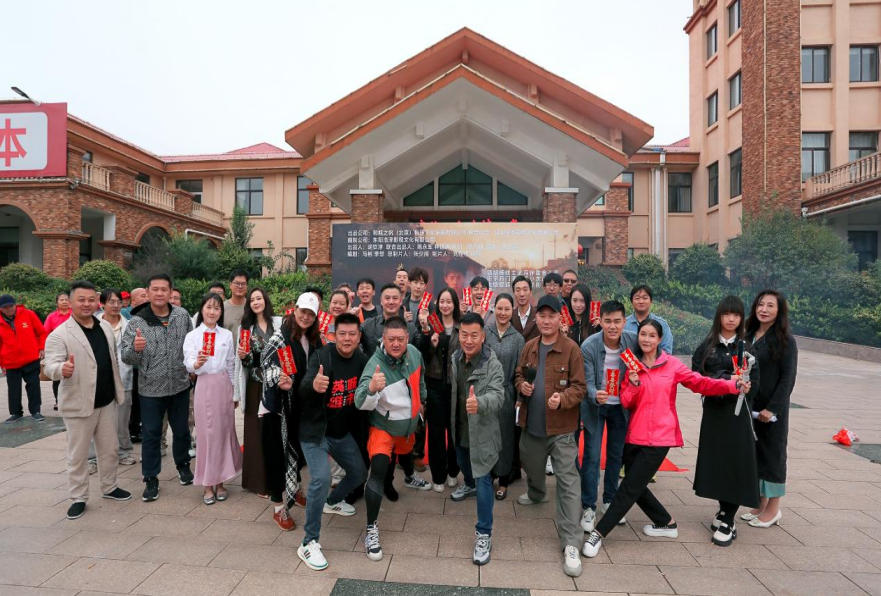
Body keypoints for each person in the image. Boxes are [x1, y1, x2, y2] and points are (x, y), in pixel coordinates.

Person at [582, 319, 749, 558]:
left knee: (628, 488)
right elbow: (626, 401)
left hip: (661, 436)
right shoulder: (632, 365)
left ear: (660, 339)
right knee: (636, 485)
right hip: (634, 435)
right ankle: (665, 522)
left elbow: (700, 383)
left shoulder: (671, 364)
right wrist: (633, 383)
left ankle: (598, 533)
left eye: (652, 335)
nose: (646, 339)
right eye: (643, 334)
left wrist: (731, 385)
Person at [43, 281, 131, 520]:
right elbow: (49, 366)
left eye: (91, 299)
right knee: (78, 454)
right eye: (81, 299)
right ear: (70, 302)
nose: (86, 304)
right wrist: (61, 369)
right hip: (79, 403)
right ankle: (78, 497)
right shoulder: (59, 334)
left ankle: (110, 486)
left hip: (107, 400)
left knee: (110, 449)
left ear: (97, 302)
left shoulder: (104, 327)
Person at [514, 295, 587, 578]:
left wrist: (563, 398)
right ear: (537, 319)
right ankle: (536, 493)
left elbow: (580, 387)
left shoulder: (571, 350)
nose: (546, 321)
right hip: (531, 426)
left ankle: (571, 542)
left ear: (560, 318)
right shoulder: (530, 347)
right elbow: (518, 375)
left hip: (562, 429)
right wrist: (522, 386)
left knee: (568, 482)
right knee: (531, 466)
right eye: (542, 316)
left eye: (551, 316)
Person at [296, 313, 370, 570]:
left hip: (339, 433)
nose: (347, 339)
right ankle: (308, 542)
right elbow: (303, 386)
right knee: (321, 478)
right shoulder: (322, 357)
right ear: (333, 335)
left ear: (359, 337)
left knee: (359, 473)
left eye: (352, 334)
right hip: (315, 433)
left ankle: (333, 501)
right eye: (342, 334)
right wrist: (313, 385)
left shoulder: (362, 360)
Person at [355, 316, 429, 561]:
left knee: (406, 453)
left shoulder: (414, 353)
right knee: (378, 470)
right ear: (383, 339)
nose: (396, 344)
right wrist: (372, 388)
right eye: (391, 339)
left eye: (400, 339)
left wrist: (422, 401)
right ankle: (371, 529)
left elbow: (421, 380)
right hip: (383, 427)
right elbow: (359, 401)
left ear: (407, 338)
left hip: (408, 425)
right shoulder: (375, 364)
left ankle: (409, 477)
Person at [691, 295, 760, 545]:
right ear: (719, 316)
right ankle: (723, 509)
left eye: (736, 314)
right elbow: (697, 374)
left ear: (741, 318)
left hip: (738, 414)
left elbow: (756, 380)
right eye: (726, 314)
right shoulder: (708, 345)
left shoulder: (747, 347)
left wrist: (747, 387)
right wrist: (725, 379)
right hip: (714, 413)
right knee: (718, 463)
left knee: (735, 465)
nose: (731, 319)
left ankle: (729, 520)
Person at [120, 274, 194, 502]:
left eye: (164, 289)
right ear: (148, 292)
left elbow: (191, 345)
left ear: (170, 292)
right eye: (155, 289)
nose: (160, 293)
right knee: (151, 434)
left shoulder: (182, 316)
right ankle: (150, 478)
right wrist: (136, 348)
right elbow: (126, 356)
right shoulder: (137, 321)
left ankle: (183, 465)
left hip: (180, 385)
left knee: (181, 430)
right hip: (150, 390)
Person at [260, 293, 322, 530]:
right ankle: (278, 507)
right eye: (303, 311)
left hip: (298, 406)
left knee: (296, 451)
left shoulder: (314, 339)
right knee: (276, 457)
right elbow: (265, 366)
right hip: (276, 409)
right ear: (294, 310)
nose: (306, 317)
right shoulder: (280, 337)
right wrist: (278, 378)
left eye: (311, 314)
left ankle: (295, 489)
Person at [448, 312, 505, 565]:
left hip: (482, 433)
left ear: (483, 336)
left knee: (483, 480)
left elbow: (498, 396)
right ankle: (468, 484)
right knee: (464, 465)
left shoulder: (492, 363)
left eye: (474, 335)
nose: (468, 340)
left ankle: (484, 533)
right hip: (459, 428)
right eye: (464, 335)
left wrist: (479, 402)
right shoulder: (455, 358)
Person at [579, 300, 636, 533]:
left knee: (616, 455)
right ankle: (588, 506)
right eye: (608, 321)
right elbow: (586, 381)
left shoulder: (633, 341)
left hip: (620, 407)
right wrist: (595, 394)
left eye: (617, 321)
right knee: (592, 456)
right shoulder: (589, 346)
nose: (612, 326)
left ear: (624, 322)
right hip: (596, 406)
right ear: (600, 321)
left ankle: (610, 500)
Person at [742, 290, 797, 528]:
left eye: (770, 305)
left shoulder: (786, 341)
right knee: (756, 454)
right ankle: (760, 502)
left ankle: (774, 509)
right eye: (760, 304)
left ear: (779, 310)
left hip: (772, 411)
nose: (763, 309)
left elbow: (788, 378)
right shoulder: (748, 335)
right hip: (750, 406)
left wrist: (773, 408)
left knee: (773, 456)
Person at [184, 293, 242, 505]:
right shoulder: (193, 336)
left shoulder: (225, 335)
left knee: (224, 433)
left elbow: (231, 363)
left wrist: (235, 392)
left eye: (217, 308)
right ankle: (207, 483)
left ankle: (221, 481)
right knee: (207, 435)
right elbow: (188, 362)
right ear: (202, 309)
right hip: (205, 385)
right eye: (209, 307)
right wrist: (196, 364)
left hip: (224, 385)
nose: (212, 311)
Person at [235, 287, 281, 497]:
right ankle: (257, 482)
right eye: (252, 300)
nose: (255, 302)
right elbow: (246, 363)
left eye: (259, 298)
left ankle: (276, 480)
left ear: (265, 300)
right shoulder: (245, 329)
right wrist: (243, 356)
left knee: (275, 432)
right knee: (255, 432)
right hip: (255, 385)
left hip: (276, 384)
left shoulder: (278, 323)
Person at [415, 287, 462, 492]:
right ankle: (438, 476)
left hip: (456, 385)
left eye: (449, 301)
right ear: (437, 304)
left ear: (455, 304)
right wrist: (430, 339)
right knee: (435, 433)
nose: (445, 305)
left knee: (454, 431)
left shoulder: (462, 325)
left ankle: (453, 471)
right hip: (434, 384)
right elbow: (421, 354)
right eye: (442, 301)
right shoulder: (431, 323)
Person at [484, 293, 524, 501]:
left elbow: (520, 371)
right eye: (499, 308)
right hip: (486, 392)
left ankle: (504, 480)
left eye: (507, 309)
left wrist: (519, 398)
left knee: (506, 438)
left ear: (512, 311)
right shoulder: (485, 332)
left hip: (507, 393)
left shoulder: (518, 338)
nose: (502, 312)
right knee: (487, 435)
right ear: (494, 308)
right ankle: (488, 475)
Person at [95, 289, 136, 467]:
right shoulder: (93, 324)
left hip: (123, 376)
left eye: (118, 302)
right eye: (111, 302)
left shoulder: (129, 325)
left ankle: (124, 451)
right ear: (102, 304)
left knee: (122, 419)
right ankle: (93, 457)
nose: (116, 305)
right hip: (98, 378)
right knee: (95, 420)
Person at [0, 294, 47, 423]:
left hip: (30, 358)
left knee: (33, 386)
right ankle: (16, 413)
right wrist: (2, 363)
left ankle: (36, 411)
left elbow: (41, 332)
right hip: (10, 361)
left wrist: (41, 347)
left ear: (15, 305)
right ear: (1, 309)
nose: (9, 309)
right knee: (13, 388)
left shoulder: (28, 314)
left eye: (11, 306)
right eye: (5, 307)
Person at [360, 283, 416, 357]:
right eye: (387, 298)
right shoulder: (368, 325)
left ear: (400, 301)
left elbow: (421, 351)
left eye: (395, 298)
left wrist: (425, 328)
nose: (391, 302)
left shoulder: (410, 328)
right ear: (381, 301)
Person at [125, 287, 148, 442]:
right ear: (133, 301)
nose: (147, 298)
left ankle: (141, 428)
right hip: (133, 368)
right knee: (134, 401)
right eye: (143, 295)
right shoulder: (128, 318)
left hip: (148, 367)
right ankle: (133, 429)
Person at [625, 285, 673, 355]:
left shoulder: (662, 324)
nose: (641, 301)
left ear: (651, 301)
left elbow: (666, 351)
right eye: (637, 298)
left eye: (645, 298)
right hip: (629, 361)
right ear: (631, 301)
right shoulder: (623, 324)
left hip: (656, 361)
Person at [44, 292, 71, 410]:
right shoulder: (51, 317)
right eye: (61, 300)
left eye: (66, 299)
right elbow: (45, 333)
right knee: (58, 376)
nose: (64, 301)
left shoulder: (74, 314)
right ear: (57, 302)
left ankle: (72, 400)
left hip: (73, 348)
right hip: (57, 349)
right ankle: (58, 401)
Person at [511, 275, 538, 341]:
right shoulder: (510, 316)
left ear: (530, 292)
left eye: (525, 290)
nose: (522, 294)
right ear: (514, 293)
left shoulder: (538, 315)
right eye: (518, 290)